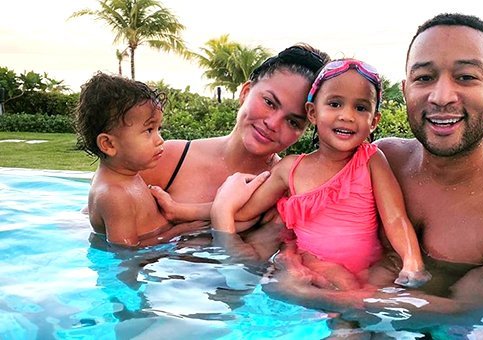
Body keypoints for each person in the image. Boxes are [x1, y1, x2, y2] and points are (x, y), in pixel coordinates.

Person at [255, 13, 483, 329]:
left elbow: (470, 313)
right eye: (424, 78)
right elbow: (286, 228)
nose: (441, 97)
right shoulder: (380, 159)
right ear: (406, 89)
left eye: (466, 77)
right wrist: (287, 266)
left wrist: (322, 298)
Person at [212, 59, 431, 290]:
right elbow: (247, 213)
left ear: (374, 121)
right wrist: (220, 206)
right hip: (314, 267)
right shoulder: (290, 169)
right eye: (335, 104)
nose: (347, 116)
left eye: (361, 108)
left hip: (370, 269)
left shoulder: (371, 160)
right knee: (334, 296)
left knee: (369, 297)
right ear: (312, 113)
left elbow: (395, 218)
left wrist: (413, 262)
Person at [143, 44, 330, 259]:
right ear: (246, 92)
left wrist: (219, 215)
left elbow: (245, 276)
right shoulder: (166, 159)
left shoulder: (285, 195)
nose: (272, 123)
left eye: (293, 122)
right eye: (269, 102)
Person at [75, 72, 207, 247]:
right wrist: (178, 232)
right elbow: (125, 252)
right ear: (108, 144)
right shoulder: (114, 195)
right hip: (156, 254)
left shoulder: (127, 175)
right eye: (149, 130)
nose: (160, 139)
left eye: (158, 129)